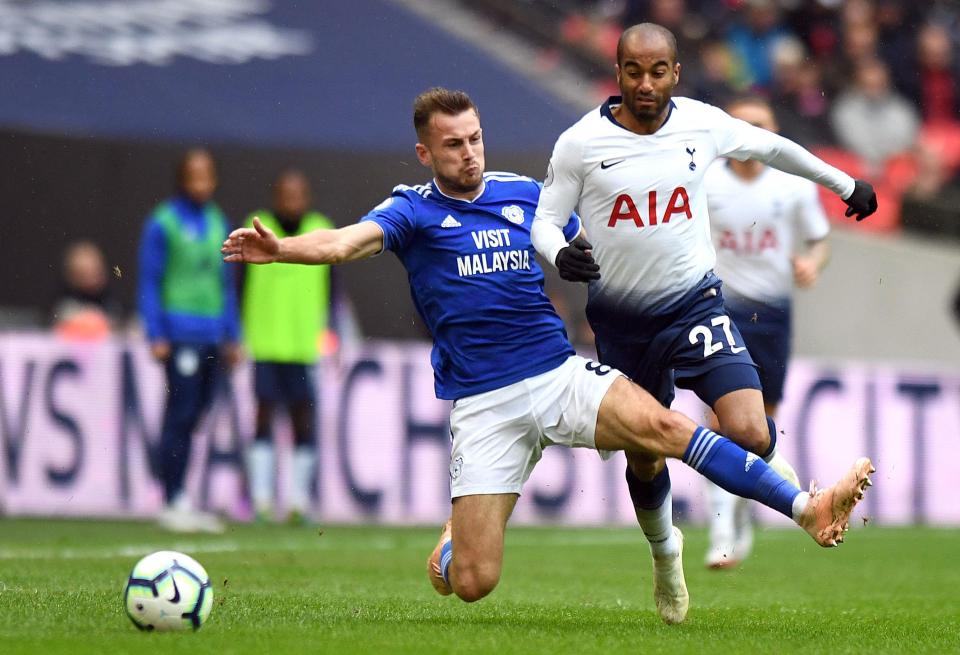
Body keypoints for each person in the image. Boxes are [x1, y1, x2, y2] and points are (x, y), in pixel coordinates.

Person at [222, 87, 874, 625]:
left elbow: (591, 242)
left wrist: (603, 257)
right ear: (426, 152)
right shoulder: (411, 212)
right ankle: (453, 547)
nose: (469, 153)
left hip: (558, 373)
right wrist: (281, 251)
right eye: (453, 144)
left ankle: (804, 506)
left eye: (474, 137)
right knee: (473, 582)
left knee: (667, 427)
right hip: (485, 403)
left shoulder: (524, 193)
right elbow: (343, 243)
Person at [531, 23, 878, 591]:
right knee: (645, 460)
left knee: (749, 428)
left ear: (676, 73)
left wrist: (843, 184)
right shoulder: (580, 143)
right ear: (617, 73)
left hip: (695, 306)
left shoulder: (701, 122)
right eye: (634, 71)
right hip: (622, 325)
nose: (646, 83)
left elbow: (771, 146)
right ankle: (667, 556)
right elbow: (545, 221)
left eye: (657, 71)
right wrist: (560, 252)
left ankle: (802, 504)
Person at [701, 96, 832, 569]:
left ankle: (737, 521)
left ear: (774, 131)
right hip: (718, 310)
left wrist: (811, 264)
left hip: (773, 313)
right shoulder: (706, 180)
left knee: (760, 428)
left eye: (762, 124)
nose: (753, 134)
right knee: (720, 419)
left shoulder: (793, 185)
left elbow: (819, 240)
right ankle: (721, 529)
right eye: (745, 125)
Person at [138, 148, 241, 533]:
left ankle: (181, 496)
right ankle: (171, 498)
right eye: (195, 176)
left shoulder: (217, 221)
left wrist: (233, 334)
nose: (203, 183)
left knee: (195, 418)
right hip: (179, 334)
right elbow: (149, 280)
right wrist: (156, 331)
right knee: (179, 414)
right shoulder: (162, 223)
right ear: (183, 179)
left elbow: (225, 283)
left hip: (212, 333)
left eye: (208, 175)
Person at [242, 170, 334, 524]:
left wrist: (333, 333)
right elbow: (237, 282)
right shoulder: (256, 226)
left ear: (307, 197)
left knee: (303, 421)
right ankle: (262, 501)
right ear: (275, 196)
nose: (291, 201)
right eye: (285, 194)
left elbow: (334, 288)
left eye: (298, 194)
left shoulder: (321, 227)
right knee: (263, 417)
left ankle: (298, 502)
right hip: (265, 343)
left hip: (304, 345)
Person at [51, 240, 122, 340]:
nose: (92, 280)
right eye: (84, 274)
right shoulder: (64, 306)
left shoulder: (113, 303)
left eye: (96, 273)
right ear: (72, 276)